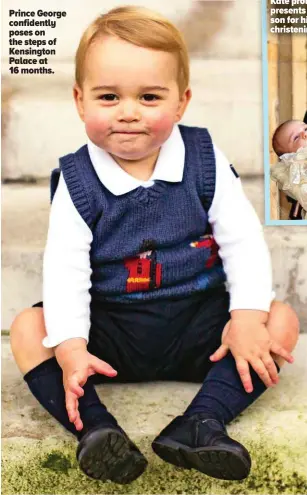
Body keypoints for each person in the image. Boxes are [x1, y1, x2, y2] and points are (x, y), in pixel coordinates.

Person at [10, 5, 299, 486]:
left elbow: (243, 240)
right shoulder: (80, 181)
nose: (128, 112)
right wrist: (72, 346)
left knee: (281, 320)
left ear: (181, 102)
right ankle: (98, 432)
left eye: (149, 97)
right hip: (111, 331)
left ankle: (202, 422)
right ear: (80, 102)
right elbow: (64, 269)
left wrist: (245, 319)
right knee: (27, 328)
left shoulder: (204, 159)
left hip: (198, 325)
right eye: (108, 97)